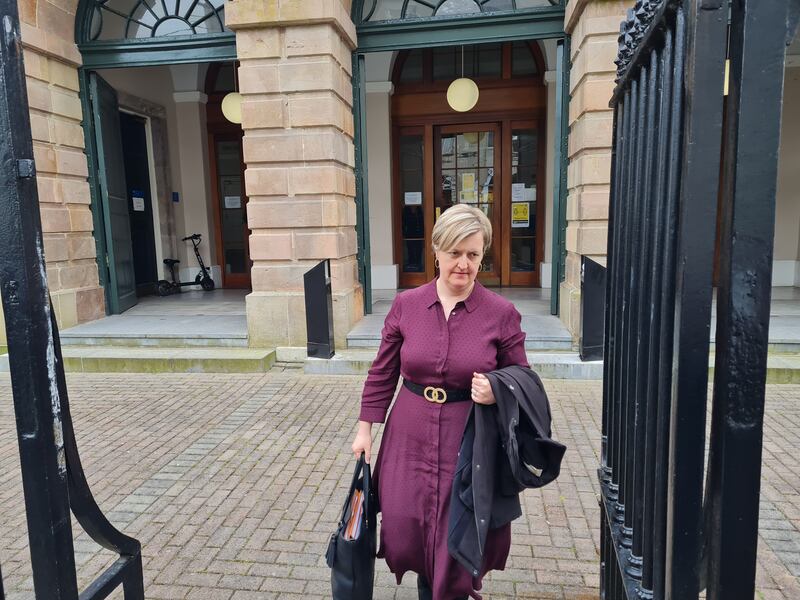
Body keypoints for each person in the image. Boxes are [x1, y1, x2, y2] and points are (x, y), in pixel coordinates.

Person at [351, 204, 529, 600]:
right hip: (408, 434)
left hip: (469, 439)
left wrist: (497, 389)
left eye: (473, 255)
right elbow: (383, 371)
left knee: (455, 540)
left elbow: (523, 380)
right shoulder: (406, 305)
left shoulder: (501, 314)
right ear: (436, 251)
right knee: (407, 527)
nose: (463, 264)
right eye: (455, 253)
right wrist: (365, 430)